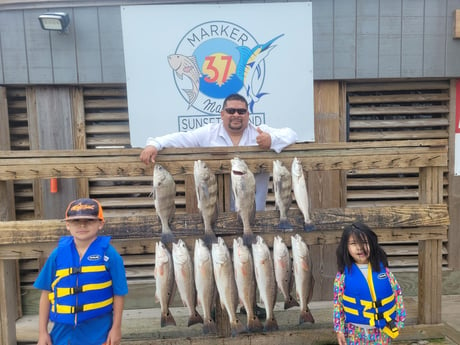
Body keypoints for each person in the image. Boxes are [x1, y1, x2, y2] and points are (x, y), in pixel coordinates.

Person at [140, 93, 297, 211]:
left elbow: (291, 134)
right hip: (219, 216)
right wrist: (155, 144)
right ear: (222, 114)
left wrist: (272, 140)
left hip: (255, 215)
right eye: (231, 110)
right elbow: (182, 138)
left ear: (248, 115)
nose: (236, 115)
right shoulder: (209, 133)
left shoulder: (260, 132)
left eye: (241, 112)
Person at [34, 198, 128, 345]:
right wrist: (42, 333)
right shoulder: (57, 254)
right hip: (63, 334)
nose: (82, 225)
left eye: (89, 221)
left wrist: (116, 328)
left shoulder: (110, 255)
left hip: (99, 332)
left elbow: (119, 294)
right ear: (67, 225)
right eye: (76, 221)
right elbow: (46, 294)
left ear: (100, 223)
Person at [333, 222, 406, 345]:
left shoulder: (385, 272)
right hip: (354, 332)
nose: (359, 248)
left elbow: (398, 295)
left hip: (382, 330)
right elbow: (337, 304)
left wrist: (400, 321)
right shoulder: (342, 276)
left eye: (364, 243)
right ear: (345, 247)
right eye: (353, 243)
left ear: (372, 244)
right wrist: (339, 330)